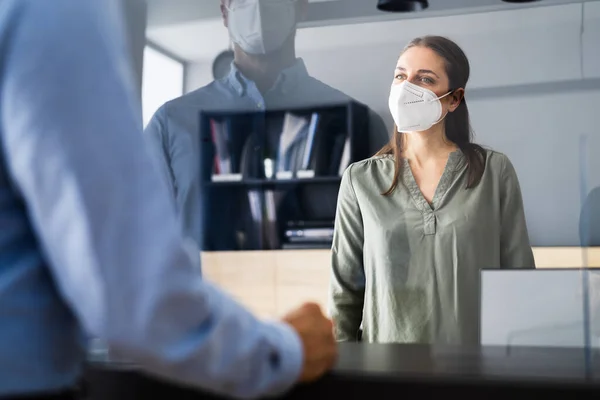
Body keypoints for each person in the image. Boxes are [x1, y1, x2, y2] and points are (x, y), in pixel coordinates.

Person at [0, 1, 336, 399]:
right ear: (224, 11)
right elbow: (133, 290)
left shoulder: (352, 117)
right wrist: (282, 351)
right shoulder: (55, 13)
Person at [328, 36, 536, 345]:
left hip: (477, 371)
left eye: (425, 79)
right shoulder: (361, 180)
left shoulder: (494, 172)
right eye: (401, 76)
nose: (406, 88)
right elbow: (344, 293)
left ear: (454, 99)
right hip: (386, 372)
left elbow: (520, 282)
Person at [144, 0, 389, 250]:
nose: (258, 5)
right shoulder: (170, 125)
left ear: (300, 6)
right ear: (224, 11)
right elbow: (141, 243)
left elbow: (384, 245)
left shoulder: (361, 125)